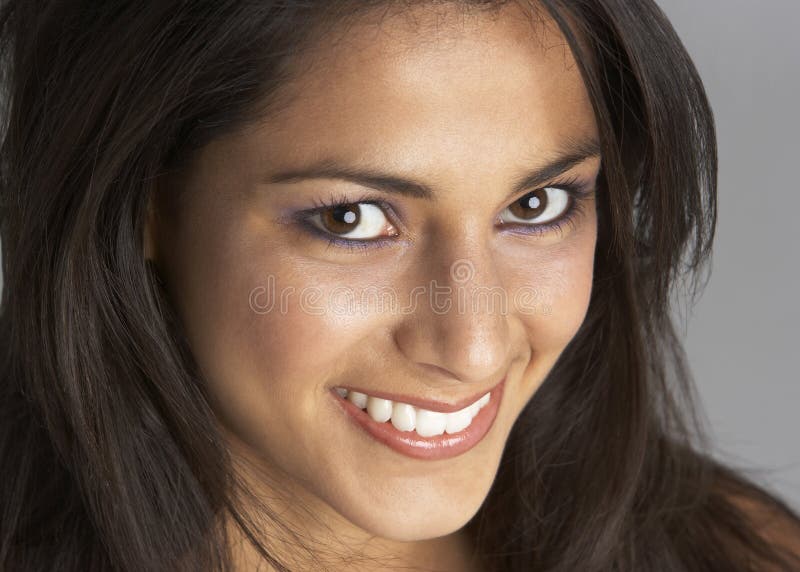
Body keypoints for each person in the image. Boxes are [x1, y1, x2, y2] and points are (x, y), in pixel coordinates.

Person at [0, 1, 798, 571]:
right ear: (146, 204)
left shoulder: (731, 551)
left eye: (537, 205)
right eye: (351, 220)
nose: (474, 345)